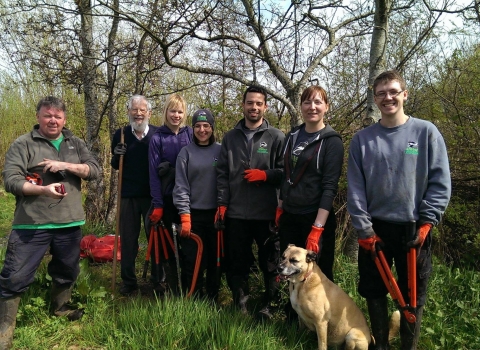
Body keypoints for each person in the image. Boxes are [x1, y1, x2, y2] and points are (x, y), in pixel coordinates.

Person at [347, 70, 451, 349]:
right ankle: (380, 344)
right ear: (375, 99)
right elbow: (355, 188)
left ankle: (409, 345)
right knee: (373, 290)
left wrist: (428, 221)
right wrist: (364, 229)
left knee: (412, 294)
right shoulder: (362, 140)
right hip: (374, 229)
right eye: (381, 93)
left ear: (404, 94)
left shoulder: (426, 132)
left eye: (393, 91)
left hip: (413, 228)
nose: (388, 97)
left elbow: (440, 181)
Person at [0, 96, 100, 349]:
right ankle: (5, 329)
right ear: (38, 117)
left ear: (64, 119)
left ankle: (60, 308)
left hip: (69, 222)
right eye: (48, 115)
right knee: (15, 274)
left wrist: (64, 165)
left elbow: (94, 170)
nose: (53, 120)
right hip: (31, 224)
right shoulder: (23, 144)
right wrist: (43, 190)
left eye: (58, 116)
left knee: (67, 270)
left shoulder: (74, 143)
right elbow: (10, 181)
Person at [216, 86, 285, 319]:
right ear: (243, 105)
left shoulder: (276, 137)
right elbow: (222, 174)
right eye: (250, 103)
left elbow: (285, 173)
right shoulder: (230, 137)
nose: (254, 107)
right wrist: (222, 204)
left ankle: (270, 307)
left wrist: (266, 175)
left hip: (266, 213)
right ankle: (241, 306)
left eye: (258, 103)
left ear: (265, 106)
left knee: (271, 263)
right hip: (236, 213)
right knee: (237, 262)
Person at [278, 85, 344, 283]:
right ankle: (292, 313)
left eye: (318, 102)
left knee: (318, 275)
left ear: (326, 107)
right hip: (290, 215)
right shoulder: (292, 136)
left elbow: (329, 186)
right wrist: (280, 207)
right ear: (301, 106)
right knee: (290, 272)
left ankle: (322, 314)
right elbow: (286, 174)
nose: (312, 107)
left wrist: (317, 228)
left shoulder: (332, 142)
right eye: (307, 102)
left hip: (314, 217)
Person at [110, 95, 157, 296]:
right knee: (128, 241)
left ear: (149, 113)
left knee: (155, 240)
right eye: (134, 109)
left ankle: (157, 281)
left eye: (142, 110)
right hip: (128, 195)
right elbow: (115, 166)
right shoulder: (120, 134)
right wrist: (116, 155)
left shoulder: (157, 134)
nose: (138, 113)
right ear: (128, 111)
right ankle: (129, 282)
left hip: (151, 196)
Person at [173, 109, 221, 300]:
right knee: (193, 260)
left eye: (206, 126)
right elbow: (181, 186)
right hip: (193, 215)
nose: (202, 130)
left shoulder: (220, 150)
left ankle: (212, 297)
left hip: (216, 216)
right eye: (198, 126)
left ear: (212, 127)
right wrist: (185, 216)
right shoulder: (186, 153)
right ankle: (193, 296)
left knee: (214, 260)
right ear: (192, 129)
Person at [148, 93, 193, 296]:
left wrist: (175, 169)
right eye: (173, 111)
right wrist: (157, 204)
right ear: (166, 112)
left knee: (188, 246)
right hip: (167, 200)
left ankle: (190, 288)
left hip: (189, 200)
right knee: (168, 248)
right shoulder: (158, 137)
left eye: (180, 111)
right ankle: (173, 289)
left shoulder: (190, 134)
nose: (176, 115)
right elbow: (152, 174)